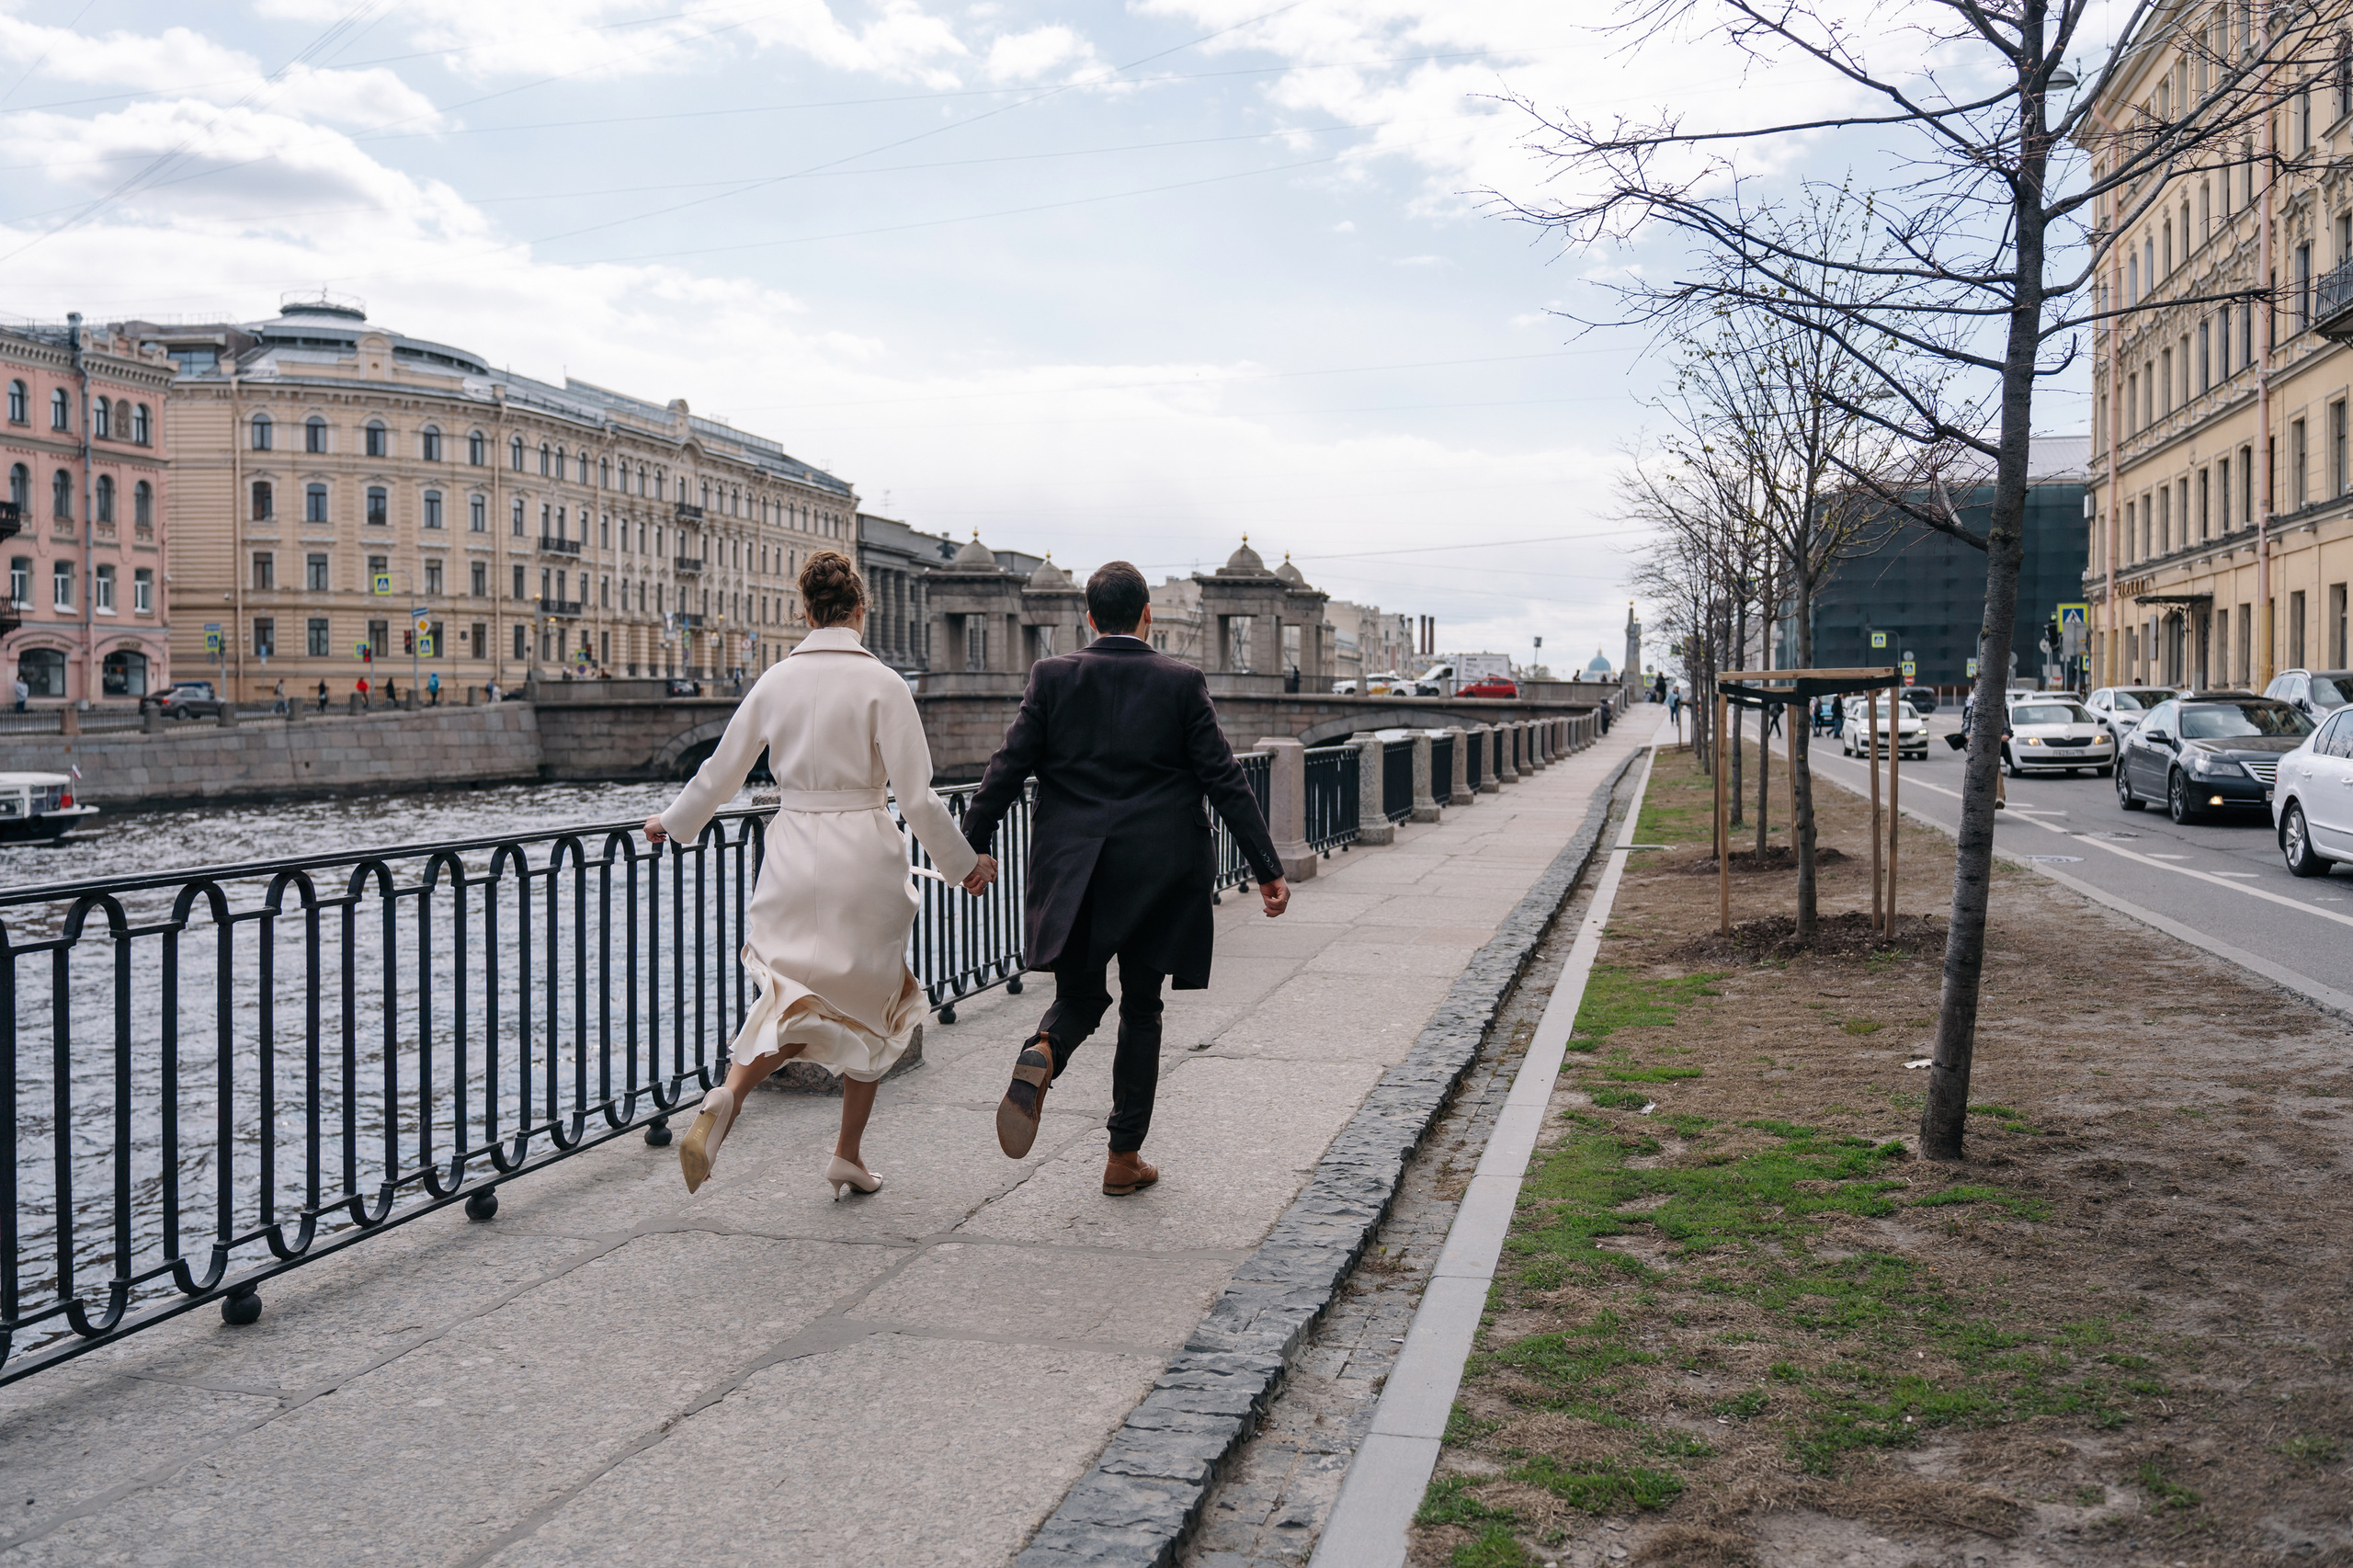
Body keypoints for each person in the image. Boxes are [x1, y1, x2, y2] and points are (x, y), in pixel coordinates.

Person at [646, 550, 990, 1199]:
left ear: (804, 612)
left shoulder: (775, 681)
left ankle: (729, 1094)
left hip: (791, 852)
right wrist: (964, 865)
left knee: (788, 998)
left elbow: (720, 773)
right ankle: (847, 1155)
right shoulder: (884, 684)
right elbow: (917, 799)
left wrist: (672, 821)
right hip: (862, 850)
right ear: (862, 610)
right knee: (878, 1008)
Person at [960, 561, 1290, 1199]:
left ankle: (1046, 1050)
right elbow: (1225, 778)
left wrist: (969, 850)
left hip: (1075, 869)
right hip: (1159, 873)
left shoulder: (1052, 677)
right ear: (1148, 616)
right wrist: (1266, 866)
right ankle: (1122, 1157)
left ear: (1088, 618)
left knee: (1081, 998)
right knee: (1143, 1007)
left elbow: (1005, 769)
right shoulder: (1181, 682)